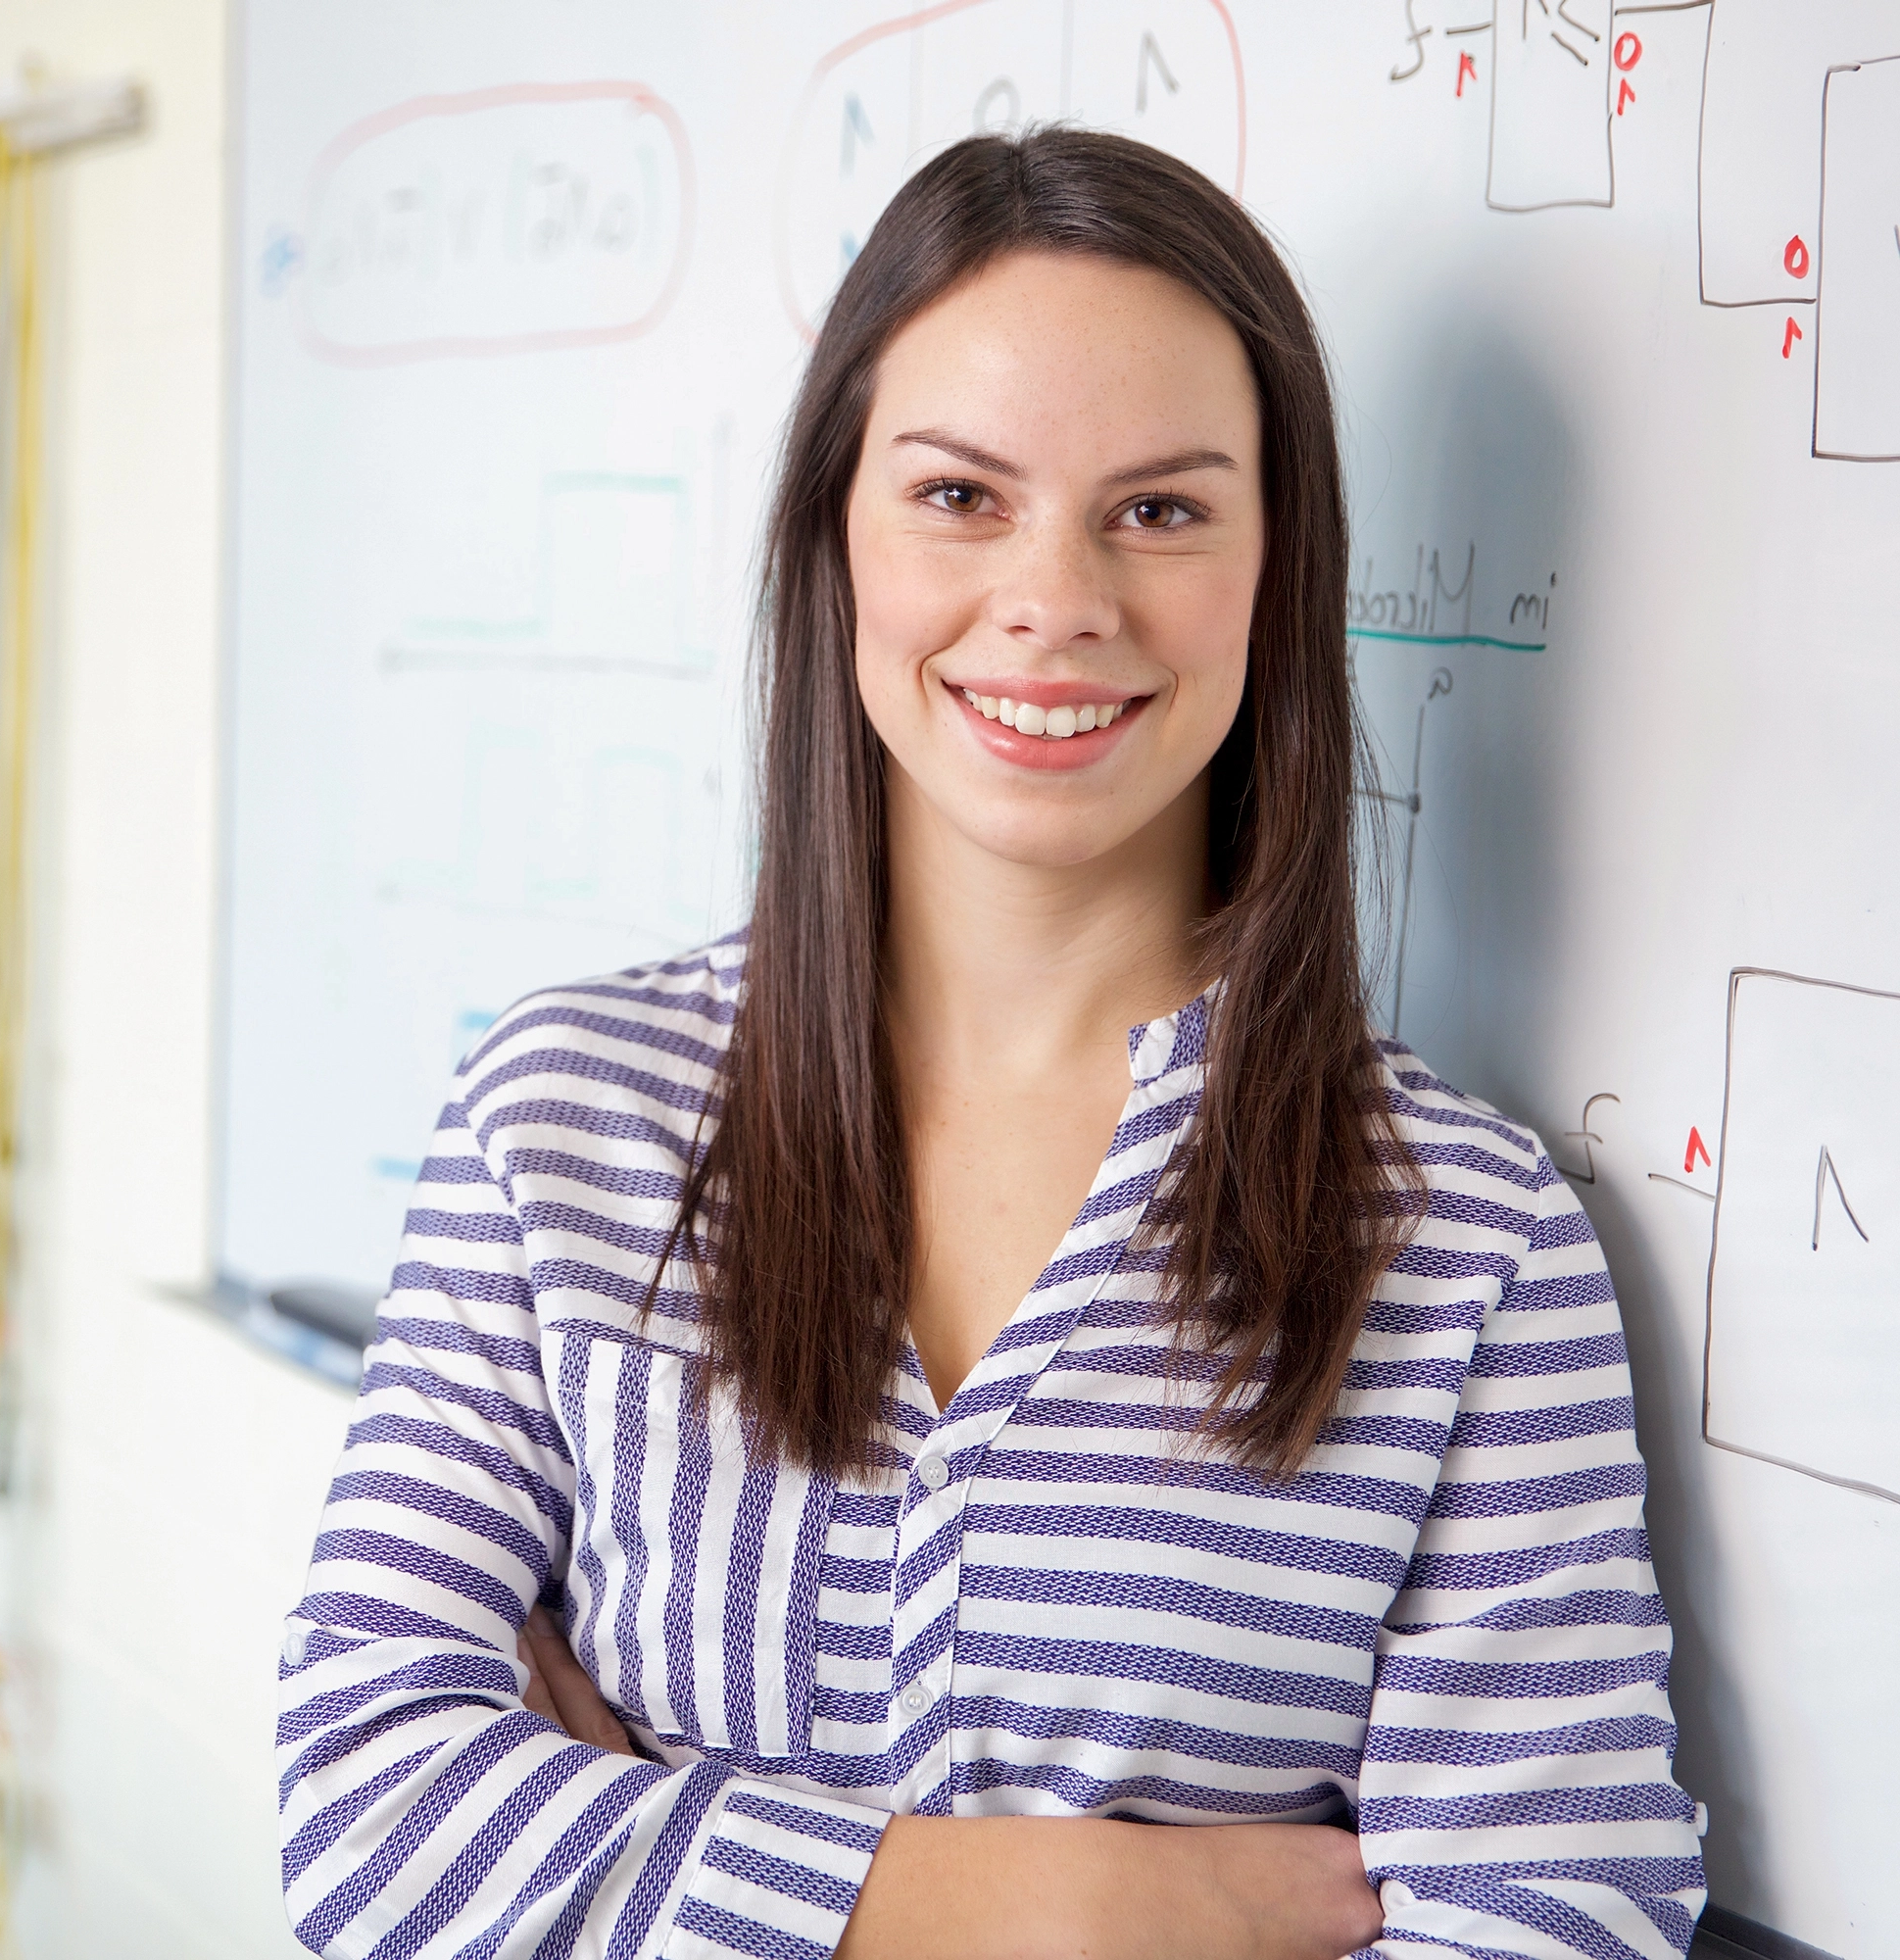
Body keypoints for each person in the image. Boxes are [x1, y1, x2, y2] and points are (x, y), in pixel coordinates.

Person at [276, 128, 1705, 1960]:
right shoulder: (564, 1117)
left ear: (1278, 571)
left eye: (1163, 509)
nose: (1058, 600)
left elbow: (1551, 1927)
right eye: (961, 495)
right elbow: (373, 1832)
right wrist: (1095, 1903)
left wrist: (641, 1843)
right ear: (835, 537)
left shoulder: (1467, 1243)